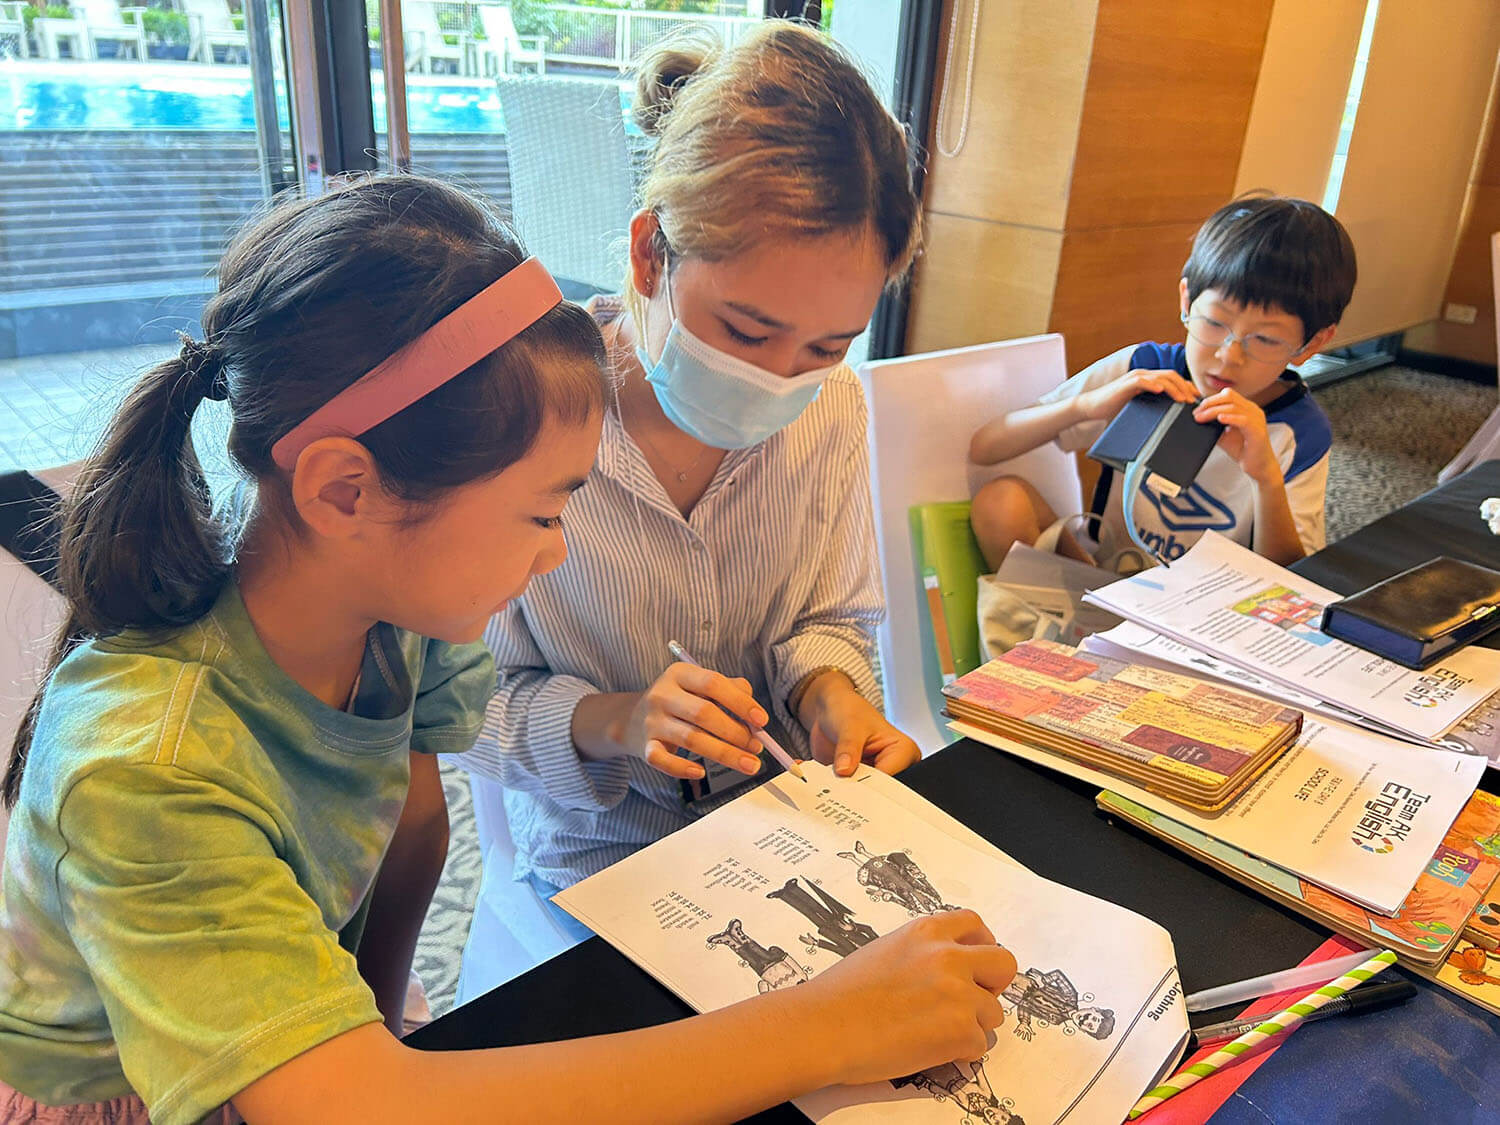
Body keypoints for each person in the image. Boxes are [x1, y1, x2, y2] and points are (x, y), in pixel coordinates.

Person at [0, 175, 1017, 1124]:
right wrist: (829, 1025)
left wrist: (385, 1025)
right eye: (541, 514)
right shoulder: (148, 768)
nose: (557, 552)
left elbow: (415, 825)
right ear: (347, 489)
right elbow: (356, 1108)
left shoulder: (387, 613)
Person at [456, 21, 927, 975]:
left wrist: (834, 695)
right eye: (746, 332)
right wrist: (619, 721)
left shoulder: (832, 407)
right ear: (648, 258)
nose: (782, 378)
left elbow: (830, 618)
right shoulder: (523, 423)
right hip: (603, 863)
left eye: (827, 345)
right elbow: (462, 706)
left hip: (789, 826)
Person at [968, 195, 1357, 571]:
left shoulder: (1299, 432)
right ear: (1187, 301)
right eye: (1214, 322)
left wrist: (1266, 478)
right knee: (1001, 504)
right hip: (1104, 579)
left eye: (1266, 340)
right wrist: (1086, 406)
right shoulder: (1145, 370)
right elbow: (986, 447)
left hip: (1208, 607)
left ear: (1311, 344)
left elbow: (1291, 579)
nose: (1228, 356)